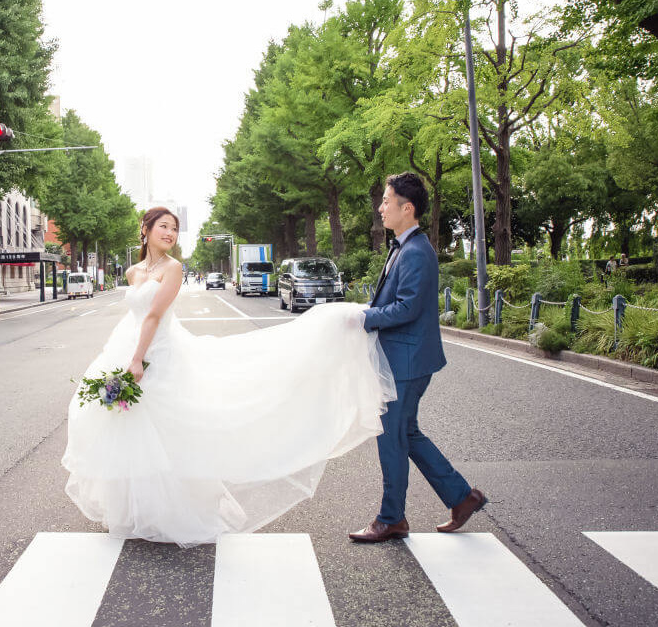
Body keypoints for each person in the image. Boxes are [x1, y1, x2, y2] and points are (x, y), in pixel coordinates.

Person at [62, 206, 396, 548]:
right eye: (163, 226)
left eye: (174, 229)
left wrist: (136, 360)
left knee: (170, 432)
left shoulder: (173, 269)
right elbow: (134, 319)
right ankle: (134, 512)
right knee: (131, 430)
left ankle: (172, 512)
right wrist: (121, 354)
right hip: (128, 348)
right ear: (144, 229)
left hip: (159, 356)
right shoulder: (132, 272)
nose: (169, 233)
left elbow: (153, 316)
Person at [349, 172, 487, 543]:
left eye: (386, 201)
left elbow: (407, 308)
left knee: (392, 437)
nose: (380, 208)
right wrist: (366, 310)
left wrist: (362, 318)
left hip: (406, 362)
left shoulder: (415, 251)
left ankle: (391, 517)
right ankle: (462, 498)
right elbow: (393, 302)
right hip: (404, 358)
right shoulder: (405, 246)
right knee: (406, 433)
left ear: (407, 208)